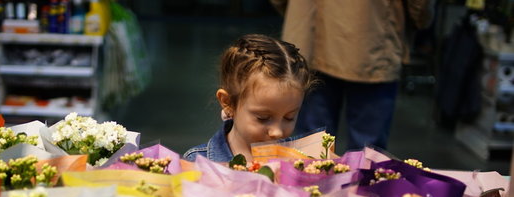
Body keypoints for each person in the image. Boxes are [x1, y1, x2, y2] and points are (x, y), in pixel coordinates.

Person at [269, 0, 434, 150]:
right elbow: (420, 7)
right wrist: (421, 19)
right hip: (372, 37)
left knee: (311, 148)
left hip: (310, 37)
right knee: (366, 155)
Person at [183, 33, 314, 162]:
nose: (277, 132)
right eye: (263, 118)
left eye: (289, 117)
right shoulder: (199, 163)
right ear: (228, 103)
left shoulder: (303, 160)